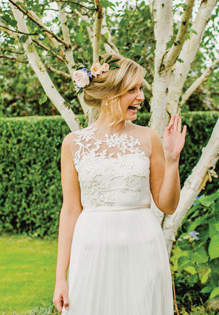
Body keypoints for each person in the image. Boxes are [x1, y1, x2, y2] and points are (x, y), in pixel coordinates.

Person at [52, 53, 187, 314]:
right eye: (132, 90)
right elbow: (70, 211)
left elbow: (168, 206)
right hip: (91, 245)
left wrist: (172, 160)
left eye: (140, 89)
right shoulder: (73, 143)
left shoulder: (149, 139)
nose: (141, 96)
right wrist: (60, 278)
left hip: (142, 244)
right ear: (109, 94)